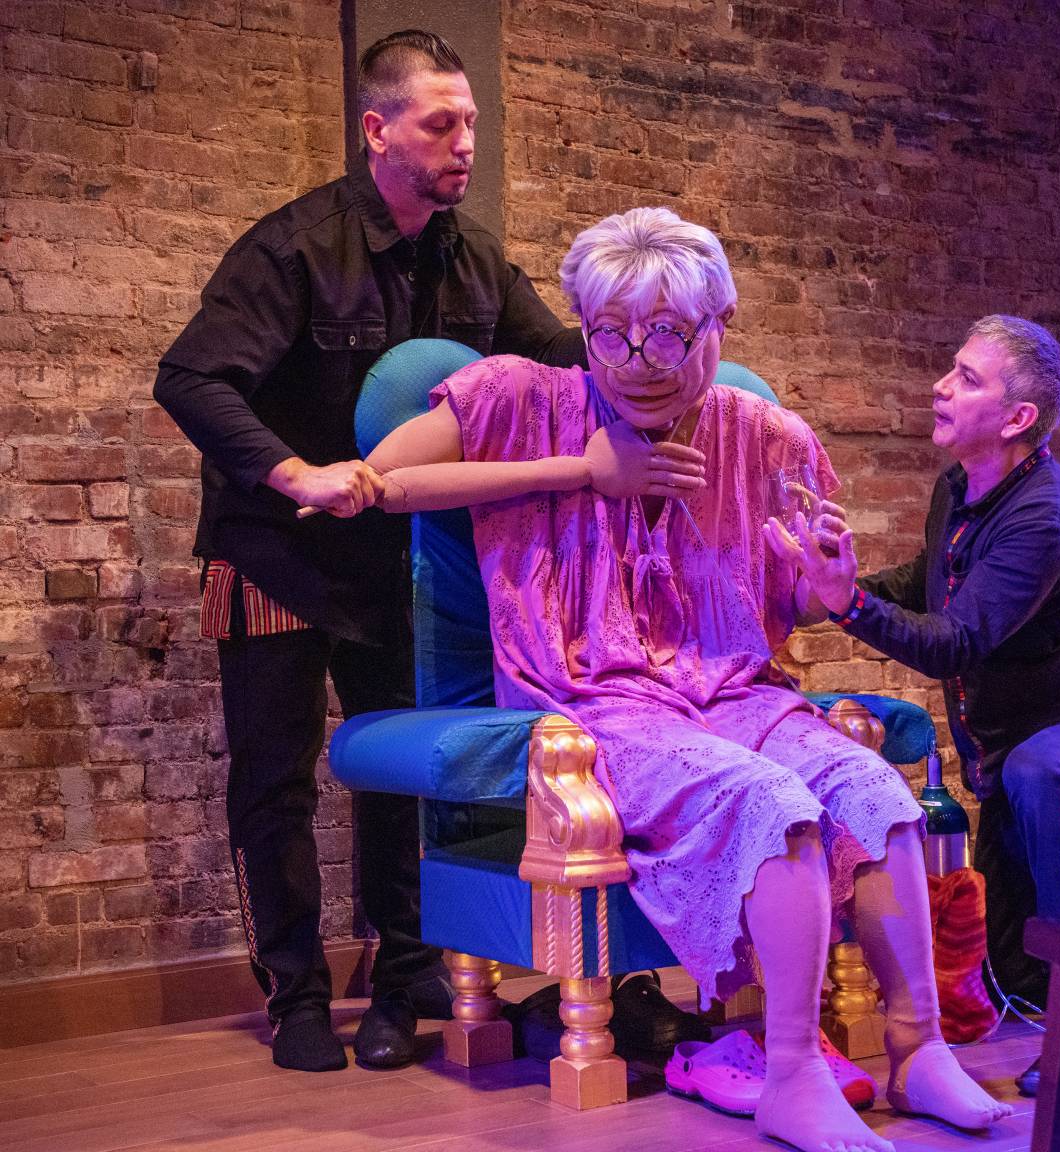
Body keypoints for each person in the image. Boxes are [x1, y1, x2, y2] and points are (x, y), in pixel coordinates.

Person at [357, 207, 1012, 1152]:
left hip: (730, 686)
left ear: (719, 325)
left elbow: (799, 595)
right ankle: (788, 1070)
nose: (639, 360)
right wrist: (583, 469)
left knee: (874, 792)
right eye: (611, 334)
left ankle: (918, 1050)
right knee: (766, 799)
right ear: (583, 326)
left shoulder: (764, 433)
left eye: (669, 333)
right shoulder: (521, 395)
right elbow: (387, 477)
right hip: (590, 692)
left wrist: (828, 590)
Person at [152, 30, 703, 1073]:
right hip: (275, 547)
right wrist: (293, 473)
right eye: (440, 123)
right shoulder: (295, 248)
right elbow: (190, 378)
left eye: (471, 125)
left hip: (392, 563)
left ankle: (403, 977)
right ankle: (297, 996)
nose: (463, 145)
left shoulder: (474, 257)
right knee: (273, 781)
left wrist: (655, 356)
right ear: (378, 131)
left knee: (401, 772)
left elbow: (559, 366)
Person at [773, 316, 1060, 1098]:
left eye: (966, 377)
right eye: (950, 369)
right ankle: (1054, 1000)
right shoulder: (959, 486)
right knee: (1011, 976)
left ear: (1017, 419)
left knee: (1042, 770)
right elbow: (932, 576)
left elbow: (958, 640)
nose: (940, 386)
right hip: (1010, 761)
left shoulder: (1046, 517)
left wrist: (849, 606)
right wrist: (824, 596)